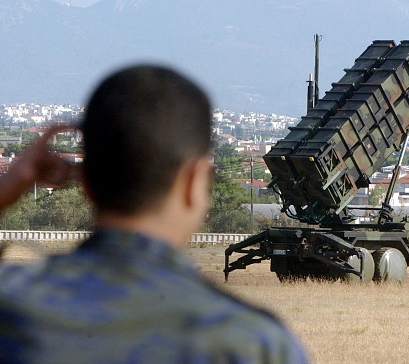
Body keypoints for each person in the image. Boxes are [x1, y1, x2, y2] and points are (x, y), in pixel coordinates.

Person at [0, 65, 309, 363]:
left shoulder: (12, 306)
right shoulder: (251, 344)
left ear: (87, 182)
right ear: (194, 183)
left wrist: (8, 188)